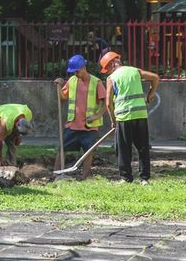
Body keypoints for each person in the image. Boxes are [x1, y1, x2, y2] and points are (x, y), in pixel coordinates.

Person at [101, 51, 160, 184]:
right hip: (140, 115)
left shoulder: (111, 78)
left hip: (124, 117)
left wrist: (113, 121)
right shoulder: (135, 71)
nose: (108, 72)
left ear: (112, 63)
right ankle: (144, 178)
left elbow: (108, 103)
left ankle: (126, 178)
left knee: (123, 149)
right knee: (143, 147)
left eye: (107, 68)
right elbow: (155, 77)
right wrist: (151, 94)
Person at [54, 54, 106, 177]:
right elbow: (63, 98)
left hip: (89, 126)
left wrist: (97, 116)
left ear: (83, 68)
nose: (75, 74)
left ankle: (85, 176)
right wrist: (59, 86)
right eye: (73, 72)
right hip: (72, 124)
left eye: (77, 71)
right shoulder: (72, 80)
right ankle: (55, 174)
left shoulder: (96, 82)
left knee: (88, 152)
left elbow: (106, 101)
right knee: (62, 149)